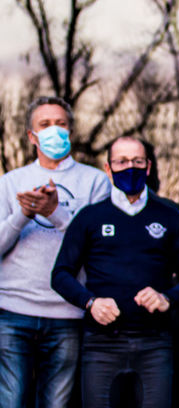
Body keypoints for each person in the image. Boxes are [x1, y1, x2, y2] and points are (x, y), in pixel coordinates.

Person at [50, 136, 179, 408]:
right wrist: (90, 302)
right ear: (108, 169)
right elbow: (60, 274)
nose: (129, 167)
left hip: (155, 344)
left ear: (147, 167)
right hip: (101, 345)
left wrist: (168, 298)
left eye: (137, 161)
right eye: (121, 161)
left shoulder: (169, 214)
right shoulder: (90, 217)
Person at [0, 96, 111, 408]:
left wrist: (54, 213)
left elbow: (98, 247)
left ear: (71, 131)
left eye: (61, 124)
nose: (54, 131)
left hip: (68, 314)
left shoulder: (96, 182)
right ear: (31, 136)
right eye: (45, 125)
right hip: (13, 312)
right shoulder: (11, 182)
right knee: (11, 401)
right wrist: (23, 213)